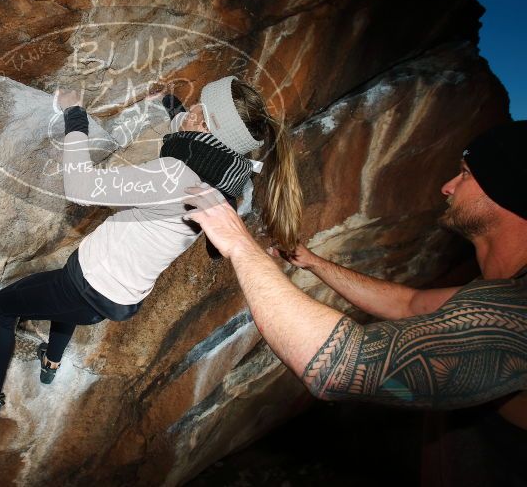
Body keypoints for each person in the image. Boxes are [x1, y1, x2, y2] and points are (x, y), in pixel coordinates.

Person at [182, 120, 526, 485]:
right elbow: (410, 304)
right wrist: (313, 263)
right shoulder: (496, 291)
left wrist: (237, 242)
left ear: (510, 191)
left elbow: (343, 369)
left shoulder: (517, 311)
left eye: (465, 174)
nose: (448, 186)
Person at [0, 76, 303, 419]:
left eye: (197, 107)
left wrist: (74, 113)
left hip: (88, 285)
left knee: (3, 307)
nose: (190, 106)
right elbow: (186, 128)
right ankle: (50, 362)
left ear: (206, 127)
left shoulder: (174, 174)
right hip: (119, 293)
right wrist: (169, 104)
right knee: (64, 307)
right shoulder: (224, 176)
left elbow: (79, 186)